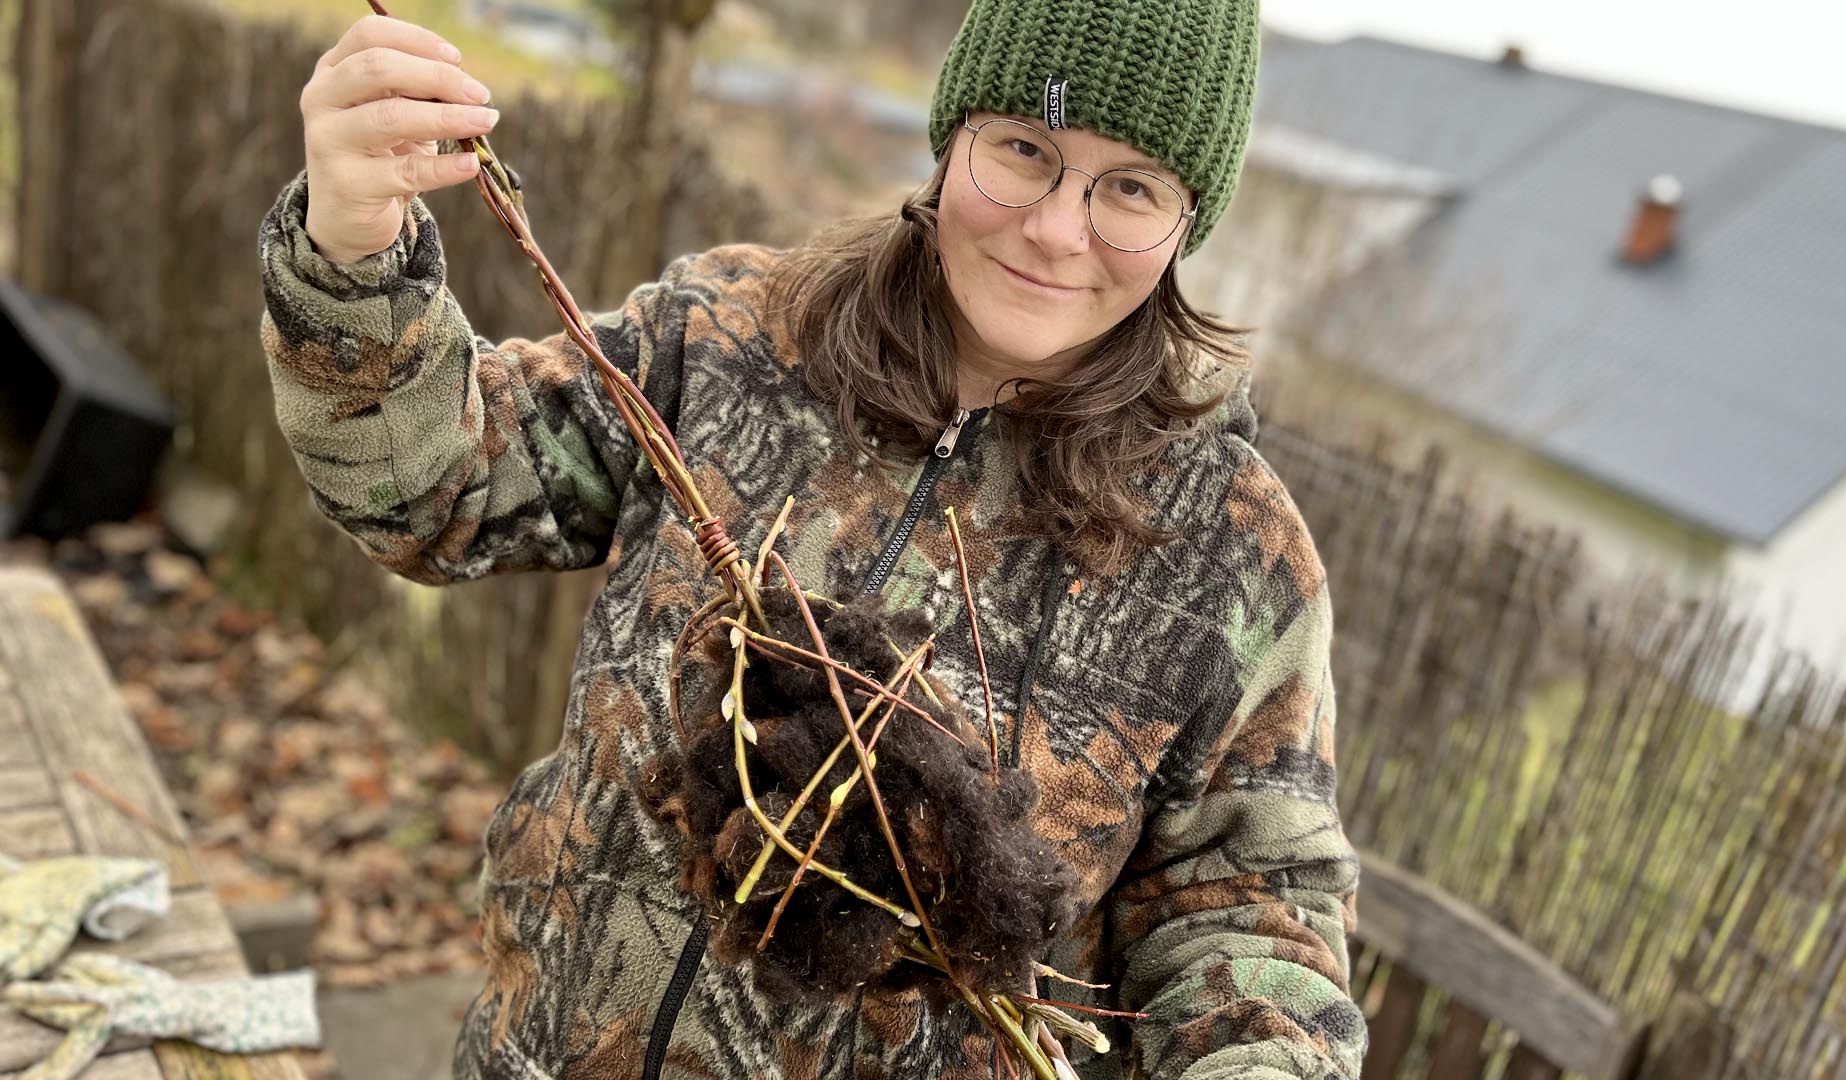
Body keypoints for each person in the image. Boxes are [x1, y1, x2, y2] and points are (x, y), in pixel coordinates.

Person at [258, 0, 1367, 1076]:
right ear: (952, 138)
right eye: (1024, 148)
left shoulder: (1230, 557)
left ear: (1189, 220)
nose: (1056, 228)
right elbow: (433, 492)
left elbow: (1247, 918)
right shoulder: (735, 337)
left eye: (1131, 187)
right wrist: (353, 246)